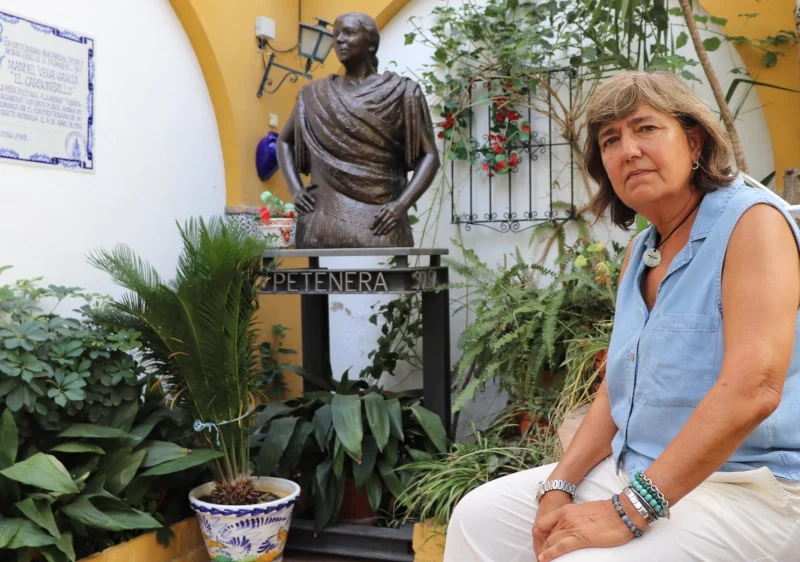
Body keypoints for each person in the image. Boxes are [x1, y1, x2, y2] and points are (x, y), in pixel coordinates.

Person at [443, 70, 800, 561]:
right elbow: (616, 389)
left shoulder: (753, 223)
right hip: (635, 470)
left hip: (749, 488)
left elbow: (754, 389)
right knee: (477, 517)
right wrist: (558, 483)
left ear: (694, 141)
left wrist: (631, 509)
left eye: (646, 128)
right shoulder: (641, 251)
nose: (627, 149)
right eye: (611, 139)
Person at [276, 12, 440, 248]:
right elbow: (284, 142)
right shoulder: (313, 94)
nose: (339, 40)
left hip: (382, 220)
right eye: (336, 35)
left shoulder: (403, 92)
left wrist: (402, 204)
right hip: (322, 219)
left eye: (349, 33)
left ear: (371, 43)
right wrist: (296, 191)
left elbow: (430, 155)